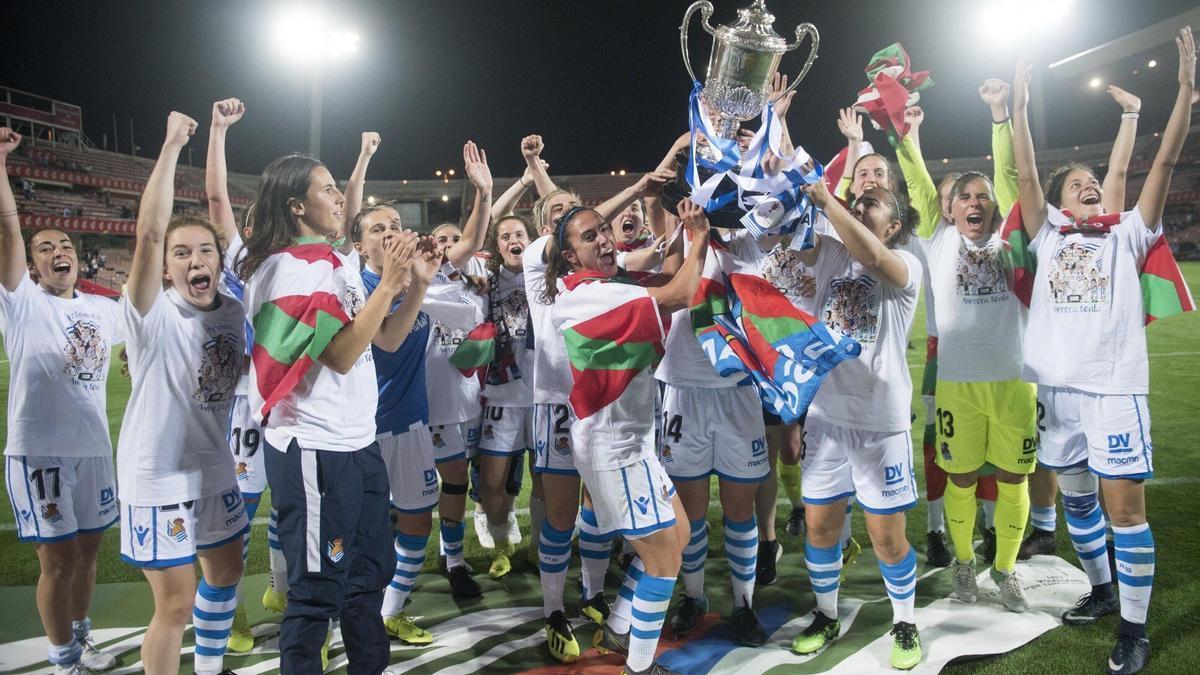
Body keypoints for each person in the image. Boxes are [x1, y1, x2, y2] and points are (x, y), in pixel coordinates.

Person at [1010, 28, 1193, 674]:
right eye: (1079, 184)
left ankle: (1133, 628)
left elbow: (1158, 166)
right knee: (1078, 500)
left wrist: (1182, 96)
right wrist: (1017, 107)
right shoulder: (1047, 238)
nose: (1091, 186)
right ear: (1060, 204)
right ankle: (1102, 586)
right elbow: (1026, 169)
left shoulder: (1128, 235)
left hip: (1114, 389)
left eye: (1096, 182)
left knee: (1124, 509)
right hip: (1057, 392)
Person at [238, 151, 415, 674]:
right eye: (328, 189)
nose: (341, 197)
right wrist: (388, 284)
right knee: (317, 593)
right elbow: (339, 357)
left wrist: (416, 284)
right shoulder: (290, 269)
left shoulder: (334, 262)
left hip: (356, 442)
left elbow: (383, 339)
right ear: (296, 205)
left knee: (367, 579)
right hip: (314, 447)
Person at [548, 201, 710, 675]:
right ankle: (638, 668)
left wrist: (678, 224)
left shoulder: (608, 286)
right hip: (613, 449)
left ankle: (620, 627)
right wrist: (699, 234)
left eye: (603, 230)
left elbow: (670, 274)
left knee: (677, 538)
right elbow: (681, 293)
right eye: (588, 236)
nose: (603, 239)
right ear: (569, 256)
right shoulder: (585, 296)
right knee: (662, 562)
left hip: (632, 444)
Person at [891, 81, 1035, 610]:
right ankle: (965, 565)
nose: (974, 202)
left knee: (1016, 475)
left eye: (983, 197)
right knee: (962, 475)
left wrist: (999, 115)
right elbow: (917, 179)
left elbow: (1012, 176)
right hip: (957, 383)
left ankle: (1005, 568)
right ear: (948, 210)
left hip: (1015, 380)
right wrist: (906, 133)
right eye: (964, 197)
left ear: (996, 207)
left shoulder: (1013, 238)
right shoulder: (937, 238)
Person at [118, 112, 247, 675]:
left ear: (220, 261)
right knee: (173, 604)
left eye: (205, 251)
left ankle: (210, 666)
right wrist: (172, 145)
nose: (196, 261)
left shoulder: (235, 311)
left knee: (226, 576)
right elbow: (147, 234)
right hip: (158, 474)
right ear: (167, 267)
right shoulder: (152, 312)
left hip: (215, 469)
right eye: (182, 253)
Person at [0, 126, 120, 675]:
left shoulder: (102, 309)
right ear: (32, 265)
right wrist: (2, 162)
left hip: (94, 448)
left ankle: (81, 634)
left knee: (89, 554)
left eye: (66, 245)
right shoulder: (22, 304)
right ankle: (62, 659)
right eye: (45, 248)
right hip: (40, 451)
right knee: (57, 560)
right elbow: (8, 232)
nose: (59, 252)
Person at [792, 179, 924, 670]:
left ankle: (905, 622)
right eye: (859, 199)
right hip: (826, 416)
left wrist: (829, 201)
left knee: (887, 538)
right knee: (821, 527)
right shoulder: (828, 252)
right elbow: (787, 235)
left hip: (879, 422)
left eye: (875, 203)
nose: (862, 202)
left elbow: (872, 261)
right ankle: (826, 615)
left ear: (893, 226)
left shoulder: (905, 264)